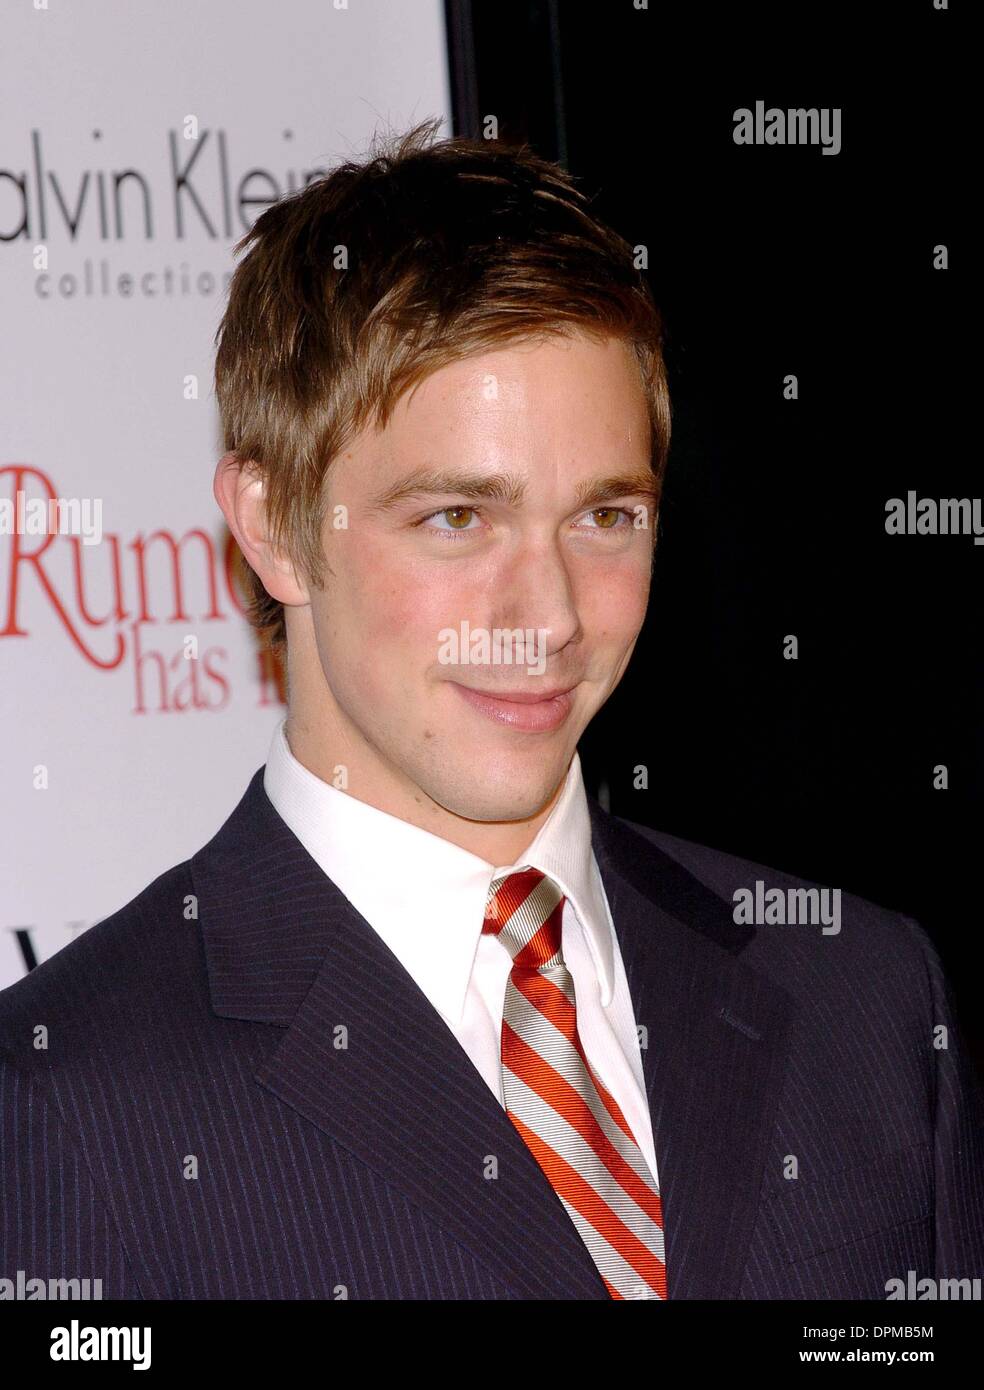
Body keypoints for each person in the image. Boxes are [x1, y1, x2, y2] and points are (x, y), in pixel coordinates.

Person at [1, 121, 981, 1301]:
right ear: (274, 527)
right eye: (458, 518)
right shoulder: (66, 1100)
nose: (550, 614)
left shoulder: (866, 999)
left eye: (605, 516)